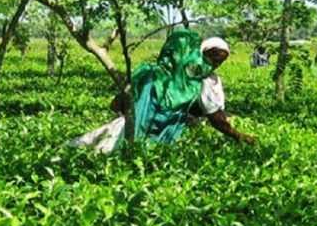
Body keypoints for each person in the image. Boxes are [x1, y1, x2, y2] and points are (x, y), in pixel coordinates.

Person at [70, 31, 253, 153]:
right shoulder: (196, 83)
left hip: (125, 132)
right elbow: (216, 119)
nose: (212, 66)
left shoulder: (147, 72)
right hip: (155, 145)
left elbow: (116, 104)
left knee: (86, 151)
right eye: (212, 60)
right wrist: (242, 137)